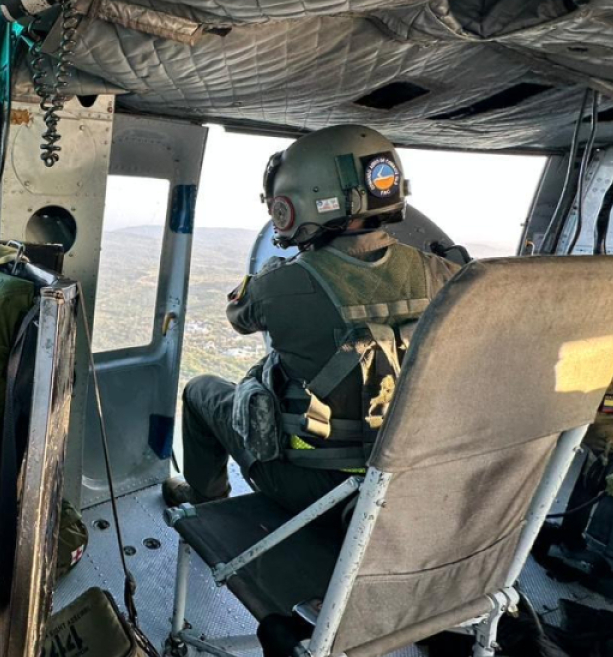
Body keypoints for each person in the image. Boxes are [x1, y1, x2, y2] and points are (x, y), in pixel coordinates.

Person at [164, 124, 460, 513]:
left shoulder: (279, 284)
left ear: (292, 204)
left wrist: (275, 273)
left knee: (200, 390)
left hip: (312, 488)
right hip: (408, 481)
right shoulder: (448, 275)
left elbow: (239, 315)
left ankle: (206, 502)